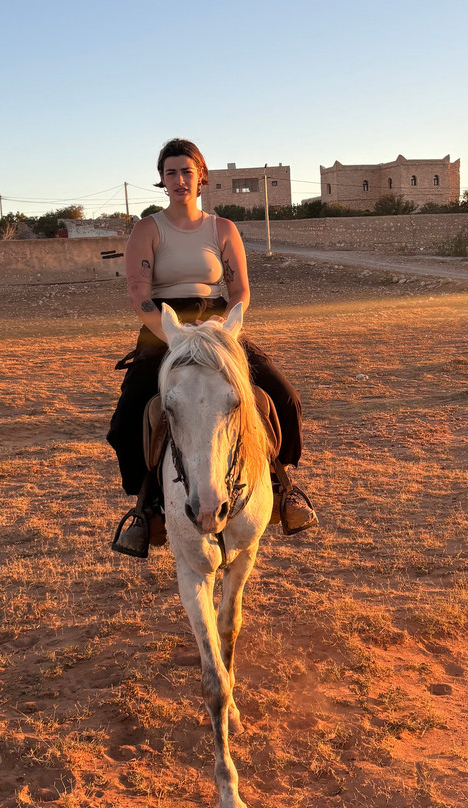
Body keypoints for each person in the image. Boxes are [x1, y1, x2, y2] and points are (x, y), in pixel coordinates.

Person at [107, 138, 318, 557]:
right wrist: (176, 337)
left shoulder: (222, 228)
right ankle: (148, 509)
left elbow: (240, 290)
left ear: (201, 176)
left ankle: (283, 488)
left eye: (187, 171)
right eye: (170, 172)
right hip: (164, 327)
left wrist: (224, 331)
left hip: (219, 325)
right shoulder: (148, 229)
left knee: (285, 398)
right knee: (128, 418)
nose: (179, 180)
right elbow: (140, 296)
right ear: (162, 179)